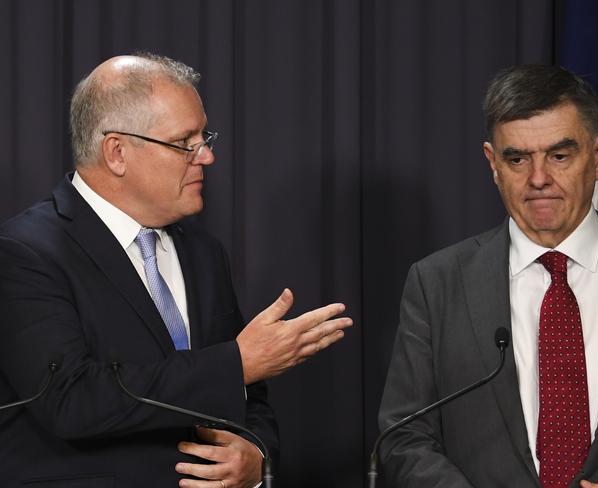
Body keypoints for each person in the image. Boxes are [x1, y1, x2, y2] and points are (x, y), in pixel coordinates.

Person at [0, 53, 352, 488]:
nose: (206, 156)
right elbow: (71, 398)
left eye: (205, 137)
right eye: (185, 142)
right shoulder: (24, 251)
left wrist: (257, 454)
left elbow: (249, 392)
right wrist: (235, 363)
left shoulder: (203, 253)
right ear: (117, 152)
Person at [378, 65, 598, 488]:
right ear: (493, 163)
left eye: (559, 156)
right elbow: (404, 437)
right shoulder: (437, 283)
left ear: (597, 158)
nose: (539, 179)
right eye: (517, 159)